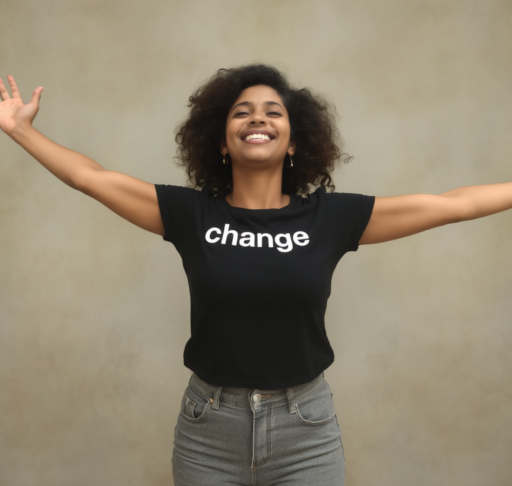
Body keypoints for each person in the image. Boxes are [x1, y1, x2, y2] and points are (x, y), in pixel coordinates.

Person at [1, 64, 510, 486]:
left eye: (273, 111)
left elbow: (452, 204)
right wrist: (21, 130)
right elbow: (90, 177)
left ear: (294, 141)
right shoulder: (190, 214)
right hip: (208, 429)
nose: (256, 119)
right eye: (241, 112)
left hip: (305, 428)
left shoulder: (330, 219)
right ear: (222, 141)